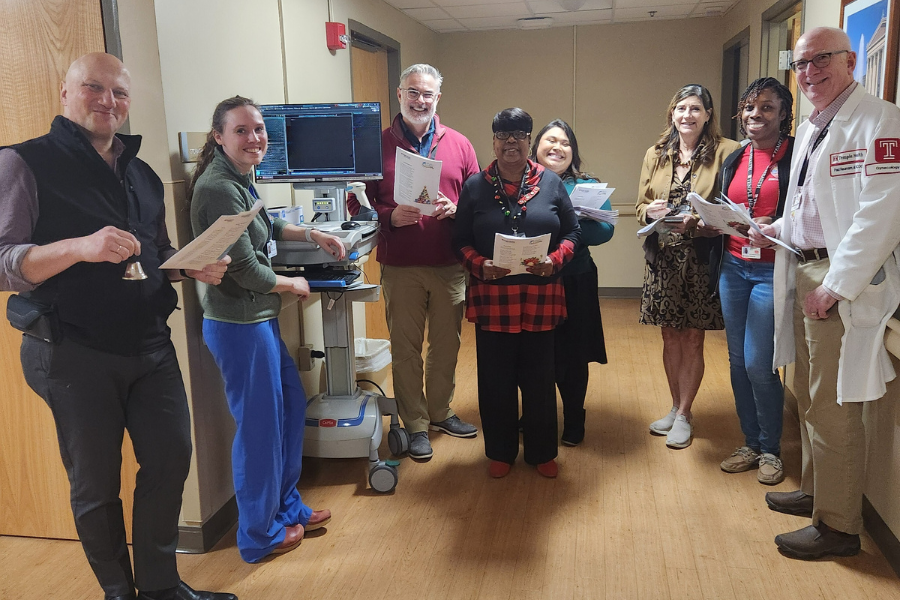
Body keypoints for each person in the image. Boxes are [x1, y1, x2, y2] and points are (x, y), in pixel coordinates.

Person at [0, 53, 235, 600]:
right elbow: (4, 261)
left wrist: (187, 265)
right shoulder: (23, 163)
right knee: (96, 483)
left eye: (120, 94)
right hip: (71, 349)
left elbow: (154, 254)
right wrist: (80, 248)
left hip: (149, 344)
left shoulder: (143, 173)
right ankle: (118, 594)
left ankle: (159, 588)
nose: (109, 102)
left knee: (171, 458)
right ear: (65, 93)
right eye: (94, 88)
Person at [750, 27, 900, 560]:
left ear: (851, 61)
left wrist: (836, 286)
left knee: (834, 408)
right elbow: (812, 206)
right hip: (804, 268)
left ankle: (838, 527)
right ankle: (817, 493)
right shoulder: (817, 125)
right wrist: (775, 226)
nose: (810, 73)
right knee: (810, 398)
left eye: (822, 61)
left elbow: (880, 214)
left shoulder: (880, 120)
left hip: (839, 281)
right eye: (802, 64)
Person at [189, 96, 345, 563]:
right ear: (219, 136)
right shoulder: (217, 187)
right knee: (259, 429)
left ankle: (285, 506)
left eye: (258, 129)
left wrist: (311, 234)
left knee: (290, 407)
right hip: (237, 324)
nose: (254, 138)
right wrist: (294, 282)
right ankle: (258, 535)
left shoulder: (241, 177)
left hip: (259, 319)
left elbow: (267, 224)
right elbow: (246, 271)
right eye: (241, 130)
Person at [361, 64, 481, 460]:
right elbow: (355, 205)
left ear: (437, 99)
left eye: (427, 94)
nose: (420, 100)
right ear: (399, 95)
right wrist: (387, 217)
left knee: (447, 346)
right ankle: (414, 425)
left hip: (449, 264)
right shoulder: (377, 144)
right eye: (413, 92)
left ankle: (440, 412)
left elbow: (478, 203)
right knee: (406, 348)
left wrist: (458, 208)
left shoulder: (459, 145)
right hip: (401, 265)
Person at [453, 108, 580, 479]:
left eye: (519, 134)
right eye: (503, 134)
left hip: (541, 298)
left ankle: (542, 451)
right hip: (493, 300)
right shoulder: (476, 186)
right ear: (493, 141)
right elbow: (459, 241)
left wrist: (555, 261)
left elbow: (573, 234)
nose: (511, 141)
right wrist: (479, 265)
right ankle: (501, 451)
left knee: (540, 380)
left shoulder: (552, 184)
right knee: (496, 380)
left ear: (529, 140)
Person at [636, 84, 741, 449]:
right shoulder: (656, 153)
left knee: (693, 337)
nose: (687, 115)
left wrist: (702, 221)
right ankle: (675, 405)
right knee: (669, 335)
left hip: (700, 257)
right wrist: (650, 211)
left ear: (708, 114)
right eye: (681, 108)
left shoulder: (728, 151)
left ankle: (684, 413)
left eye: (695, 108)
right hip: (663, 256)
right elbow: (640, 204)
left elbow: (733, 204)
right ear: (672, 113)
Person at [716, 78, 794, 485]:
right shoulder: (736, 156)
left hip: (770, 269)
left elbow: (810, 210)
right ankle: (750, 441)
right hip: (733, 266)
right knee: (735, 362)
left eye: (766, 107)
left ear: (783, 112)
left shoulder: (796, 155)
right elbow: (726, 203)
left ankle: (771, 449)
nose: (755, 115)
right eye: (748, 107)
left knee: (758, 364)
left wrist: (777, 224)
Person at [530, 119, 613, 446]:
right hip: (534, 280)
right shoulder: (523, 183)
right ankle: (538, 414)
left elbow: (604, 232)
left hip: (575, 279)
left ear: (573, 151)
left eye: (565, 143)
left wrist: (568, 224)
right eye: (550, 141)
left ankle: (575, 417)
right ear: (536, 147)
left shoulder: (586, 185)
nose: (557, 147)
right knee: (536, 352)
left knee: (573, 354)